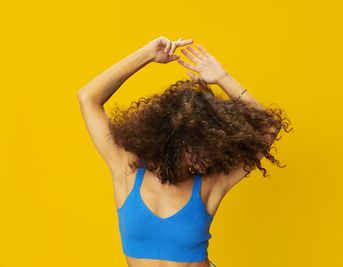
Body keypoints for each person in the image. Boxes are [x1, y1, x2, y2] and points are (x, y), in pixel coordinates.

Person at [77, 36, 291, 267]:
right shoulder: (126, 169)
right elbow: (88, 97)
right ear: (173, 141)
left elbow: (268, 126)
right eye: (200, 146)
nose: (209, 155)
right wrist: (147, 55)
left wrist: (222, 78)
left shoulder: (211, 184)